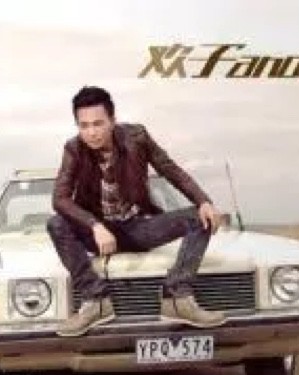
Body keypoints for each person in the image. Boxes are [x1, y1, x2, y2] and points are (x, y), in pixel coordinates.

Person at [47, 86, 225, 337]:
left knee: (200, 217)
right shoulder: (74, 149)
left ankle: (177, 297)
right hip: (98, 235)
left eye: (98, 123)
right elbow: (60, 199)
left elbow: (170, 169)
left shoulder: (137, 137)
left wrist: (203, 200)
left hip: (137, 228)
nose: (91, 132)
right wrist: (94, 225)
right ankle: (95, 300)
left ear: (112, 120)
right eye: (84, 125)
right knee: (56, 223)